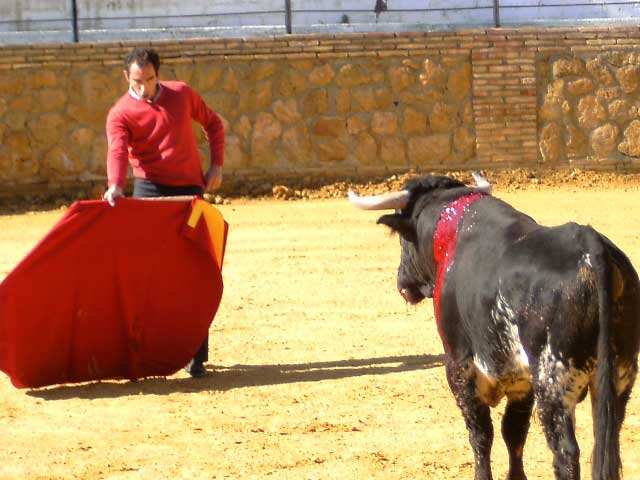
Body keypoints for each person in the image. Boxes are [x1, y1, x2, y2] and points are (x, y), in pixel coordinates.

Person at [104, 47, 225, 378]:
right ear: (126, 76)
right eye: (138, 81)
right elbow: (116, 150)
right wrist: (115, 185)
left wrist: (216, 164)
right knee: (150, 275)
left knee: (195, 271)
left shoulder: (181, 94)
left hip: (189, 192)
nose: (145, 88)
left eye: (151, 79)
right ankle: (151, 352)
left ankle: (195, 355)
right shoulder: (120, 113)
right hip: (150, 193)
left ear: (159, 74)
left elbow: (214, 125)